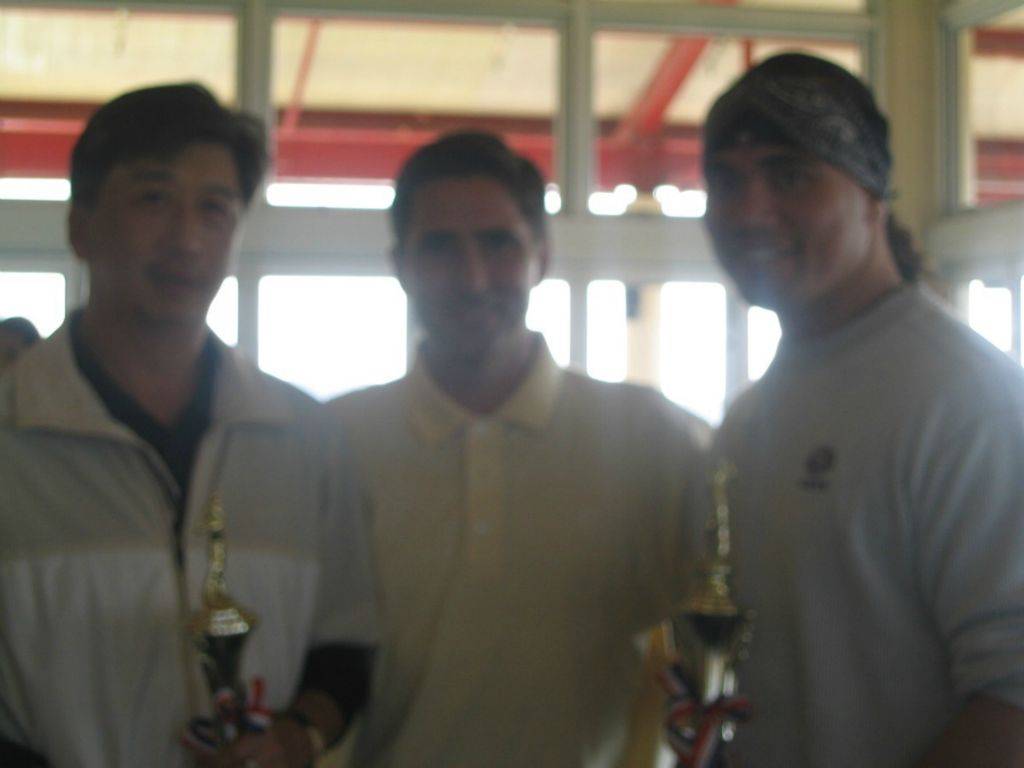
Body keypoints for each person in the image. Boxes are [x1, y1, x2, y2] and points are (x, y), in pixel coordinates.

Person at [0, 83, 377, 768]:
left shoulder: (305, 439)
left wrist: (297, 737)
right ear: (80, 227)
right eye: (153, 199)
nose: (187, 239)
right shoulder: (13, 431)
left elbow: (344, 647)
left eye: (215, 209)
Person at [328, 131, 708, 767]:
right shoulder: (337, 442)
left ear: (542, 258)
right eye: (440, 247)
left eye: (498, 243)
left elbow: (735, 630)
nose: (472, 278)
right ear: (401, 267)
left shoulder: (652, 438)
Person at [697, 52, 1024, 766]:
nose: (749, 211)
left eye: (789, 174)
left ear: (872, 195)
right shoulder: (751, 417)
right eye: (726, 180)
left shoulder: (969, 403)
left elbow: (1014, 705)